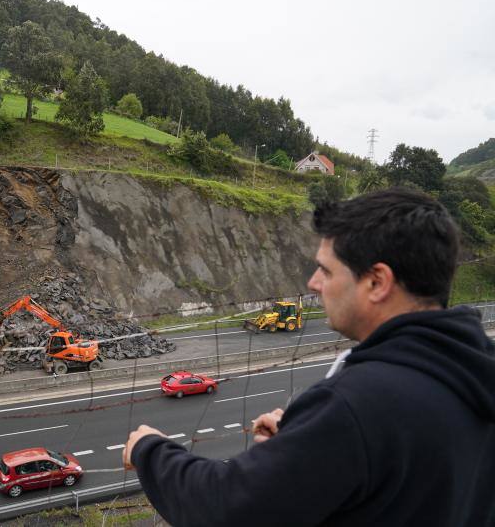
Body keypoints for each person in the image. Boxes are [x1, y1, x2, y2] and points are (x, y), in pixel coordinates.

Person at [123, 188, 495, 527]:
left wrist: (150, 450)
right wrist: (304, 438)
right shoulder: (471, 370)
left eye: (327, 269)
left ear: (377, 282)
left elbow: (225, 508)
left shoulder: (358, 405)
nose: (314, 283)